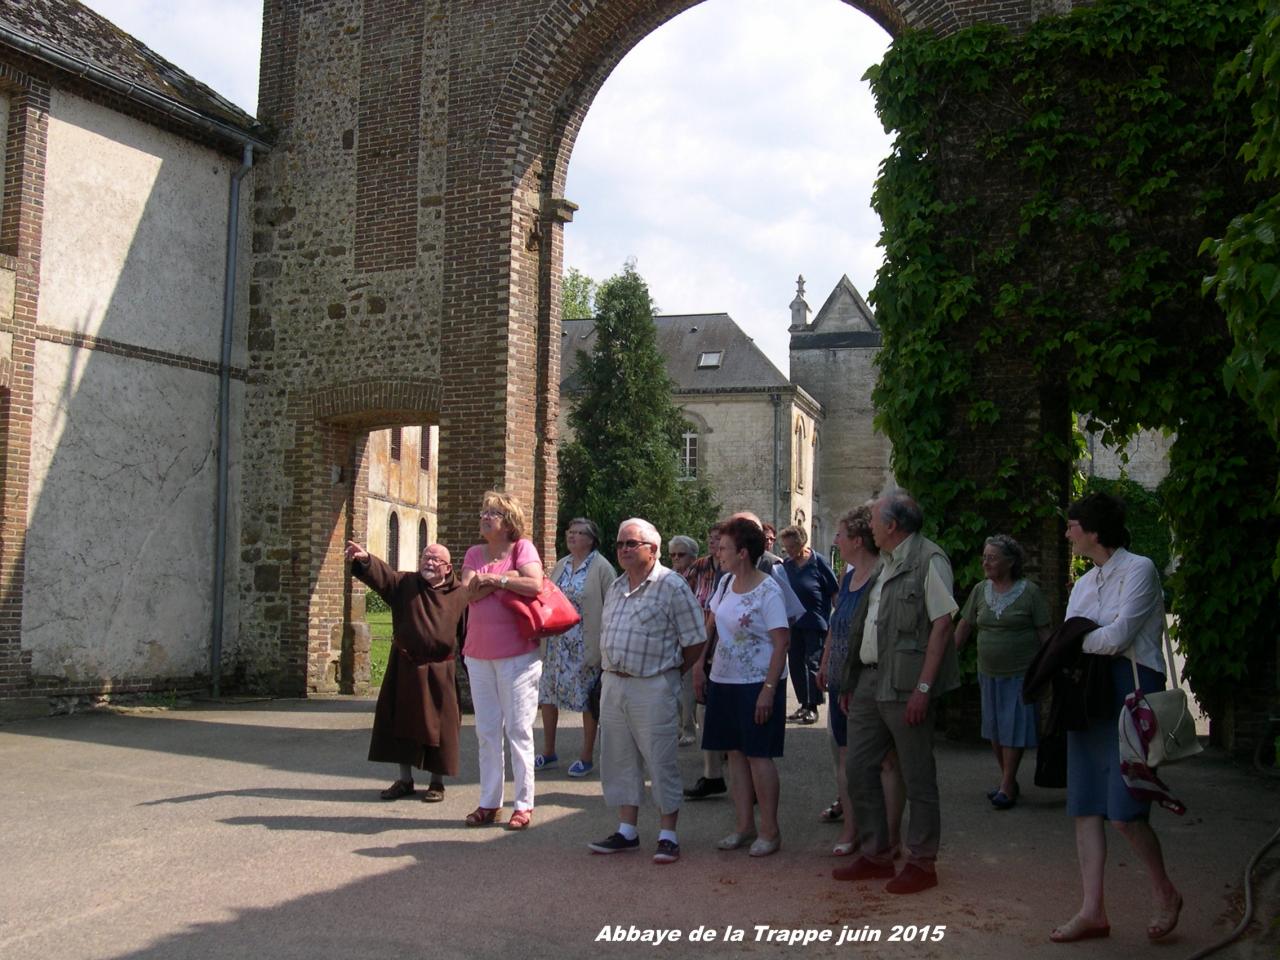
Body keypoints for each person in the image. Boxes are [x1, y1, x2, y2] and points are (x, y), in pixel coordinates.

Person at [1050, 492, 1181, 943]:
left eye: (1072, 525)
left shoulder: (1139, 568)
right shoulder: (1085, 585)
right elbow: (1085, 632)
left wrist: (1075, 641)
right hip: (1091, 697)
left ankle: (1165, 892)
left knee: (1126, 812)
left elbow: (1121, 635)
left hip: (1132, 692)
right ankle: (1092, 911)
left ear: (1093, 529)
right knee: (1086, 806)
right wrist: (1083, 639)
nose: (1067, 533)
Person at [834, 489, 959, 895]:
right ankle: (876, 853)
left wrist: (924, 687)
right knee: (858, 767)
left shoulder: (929, 560)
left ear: (891, 525)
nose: (868, 525)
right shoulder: (886, 563)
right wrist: (852, 679)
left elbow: (942, 625)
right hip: (870, 681)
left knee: (918, 774)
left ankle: (922, 862)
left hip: (907, 684)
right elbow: (866, 625)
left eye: (873, 519)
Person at [588, 518, 706, 864]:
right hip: (614, 682)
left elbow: (696, 639)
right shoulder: (616, 586)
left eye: (631, 544)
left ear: (653, 550)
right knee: (618, 759)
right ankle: (627, 831)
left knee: (660, 760)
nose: (623, 549)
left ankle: (668, 834)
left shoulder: (672, 585)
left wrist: (669, 674)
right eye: (621, 544)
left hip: (653, 684)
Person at [694, 516, 790, 857]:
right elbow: (712, 625)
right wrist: (699, 665)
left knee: (759, 756)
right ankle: (744, 826)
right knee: (734, 754)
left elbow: (781, 642)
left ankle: (770, 830)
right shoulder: (724, 584)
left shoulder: (768, 590)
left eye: (724, 548)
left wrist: (768, 689)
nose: (718, 553)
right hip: (723, 680)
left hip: (756, 684)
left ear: (744, 552)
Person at [346, 540, 470, 803]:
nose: (429, 561)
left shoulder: (460, 595)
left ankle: (437, 783)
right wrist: (366, 559)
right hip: (405, 666)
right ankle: (405, 780)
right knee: (400, 724)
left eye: (436, 559)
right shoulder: (405, 585)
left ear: (448, 568)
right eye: (426, 556)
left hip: (441, 670)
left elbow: (468, 634)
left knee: (442, 729)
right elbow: (383, 577)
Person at [816, 506, 905, 856]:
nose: (836, 540)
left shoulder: (882, 575)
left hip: (868, 680)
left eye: (840, 535)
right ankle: (852, 829)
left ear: (856, 540)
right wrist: (825, 662)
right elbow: (837, 623)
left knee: (884, 760)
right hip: (841, 678)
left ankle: (891, 836)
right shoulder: (848, 574)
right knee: (845, 757)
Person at [459, 491, 545, 830]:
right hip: (478, 654)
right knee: (486, 731)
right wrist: (506, 584)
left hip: (518, 655)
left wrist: (494, 579)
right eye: (483, 511)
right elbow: (468, 592)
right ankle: (489, 802)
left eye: (492, 512)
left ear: (509, 521)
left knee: (519, 730)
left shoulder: (522, 548)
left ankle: (523, 805)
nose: (485, 517)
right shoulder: (473, 552)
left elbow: (534, 584)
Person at [954, 534, 1051, 809]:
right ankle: (1008, 779)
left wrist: (1050, 668)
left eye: (992, 557)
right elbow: (964, 626)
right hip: (989, 673)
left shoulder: (1029, 592)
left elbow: (1045, 633)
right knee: (995, 730)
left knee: (1014, 729)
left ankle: (1007, 785)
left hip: (1021, 673)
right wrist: (946, 657)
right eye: (984, 557)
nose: (985, 562)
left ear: (1010, 562)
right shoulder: (979, 590)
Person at [536, 518, 615, 778]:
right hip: (557, 646)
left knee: (586, 701)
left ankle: (586, 756)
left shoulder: (601, 568)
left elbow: (611, 608)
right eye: (570, 532)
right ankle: (548, 752)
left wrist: (604, 648)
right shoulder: (562, 564)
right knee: (548, 696)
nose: (573, 536)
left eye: (580, 533)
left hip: (584, 645)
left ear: (592, 539)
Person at [684, 523, 731, 800]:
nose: (715, 545)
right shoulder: (700, 567)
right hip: (703, 644)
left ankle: (741, 776)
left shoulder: (739, 571)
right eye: (712, 539)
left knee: (724, 710)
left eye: (720, 541)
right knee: (704, 707)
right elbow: (684, 595)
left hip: (729, 650)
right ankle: (712, 773)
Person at [779, 524, 837, 724]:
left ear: (801, 544)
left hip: (815, 622)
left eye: (791, 547)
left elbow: (833, 591)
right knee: (795, 663)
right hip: (793, 623)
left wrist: (837, 620)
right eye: (785, 547)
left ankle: (813, 706)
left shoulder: (818, 561)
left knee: (812, 663)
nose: (788, 551)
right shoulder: (786, 565)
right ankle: (803, 703)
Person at [669, 534, 703, 746]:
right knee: (673, 688)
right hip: (670, 638)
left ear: (692, 556)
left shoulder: (701, 576)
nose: (676, 559)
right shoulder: (668, 577)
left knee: (688, 688)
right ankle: (677, 728)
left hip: (691, 638)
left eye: (681, 555)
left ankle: (689, 729)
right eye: (672, 555)